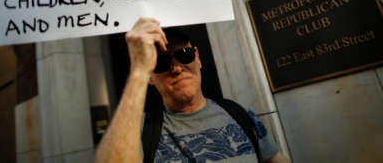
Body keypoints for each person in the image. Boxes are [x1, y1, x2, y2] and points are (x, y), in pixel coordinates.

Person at [95, 17, 288, 163]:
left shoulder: (242, 115)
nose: (177, 68)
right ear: (151, 77)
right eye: (162, 62)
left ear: (198, 58)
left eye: (184, 55)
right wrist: (138, 70)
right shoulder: (140, 131)